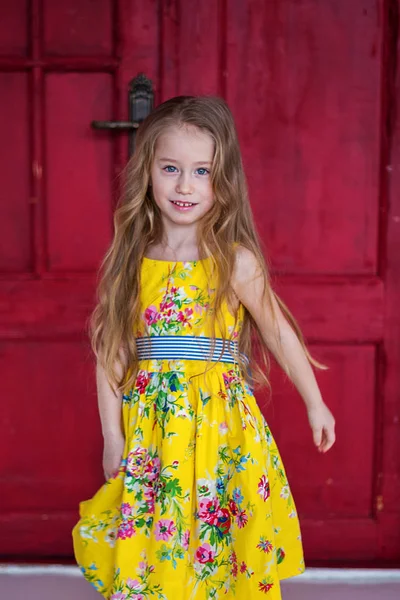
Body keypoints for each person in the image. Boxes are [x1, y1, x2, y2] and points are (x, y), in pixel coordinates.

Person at [72, 95, 335, 600]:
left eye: (202, 171)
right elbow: (111, 353)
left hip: (221, 427)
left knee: (219, 545)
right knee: (162, 543)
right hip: (154, 433)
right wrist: (112, 434)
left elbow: (278, 331)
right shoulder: (131, 260)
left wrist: (314, 400)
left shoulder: (233, 262)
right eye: (170, 168)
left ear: (224, 179)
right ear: (148, 170)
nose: (185, 185)